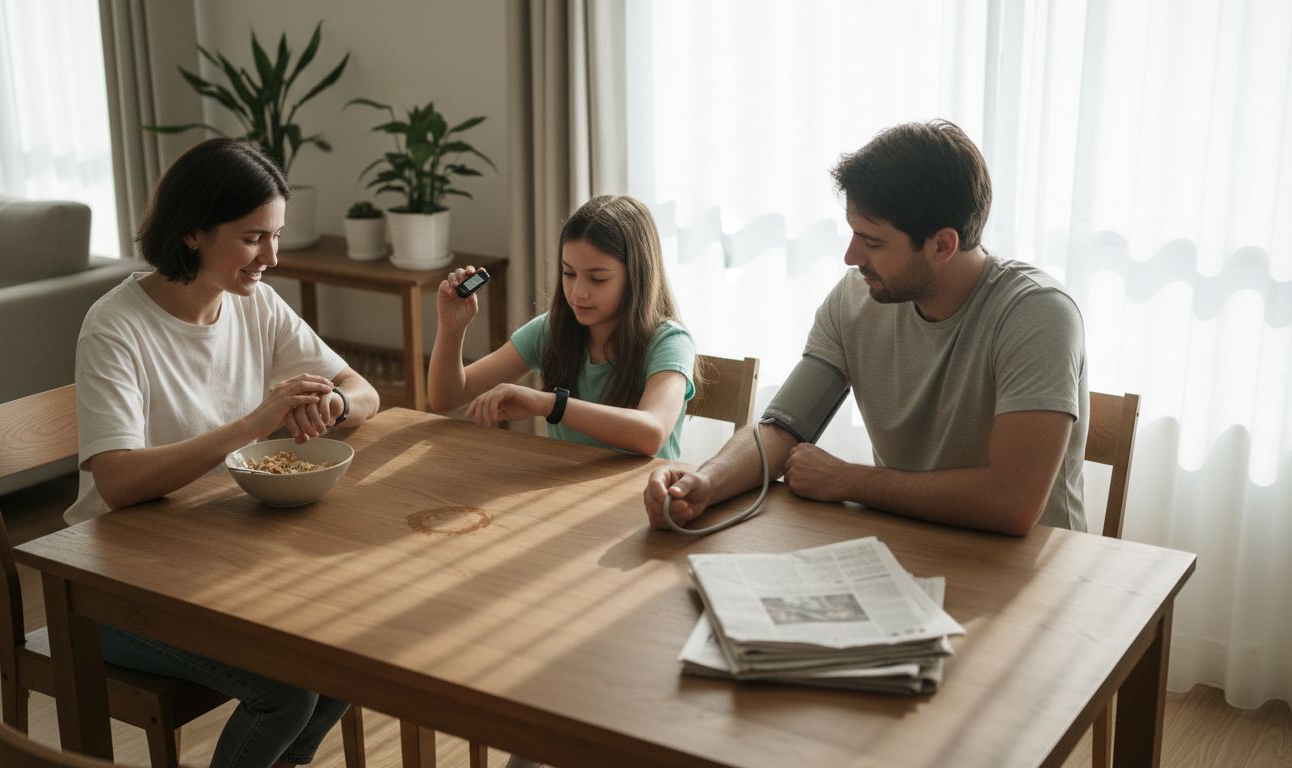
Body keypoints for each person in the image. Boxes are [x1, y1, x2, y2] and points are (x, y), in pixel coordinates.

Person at [66, 138, 380, 768]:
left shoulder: (253, 303)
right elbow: (119, 481)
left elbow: (364, 392)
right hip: (111, 588)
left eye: (276, 235)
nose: (272, 256)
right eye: (253, 237)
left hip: (214, 559)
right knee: (288, 690)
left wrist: (333, 407)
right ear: (192, 234)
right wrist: (253, 423)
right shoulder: (115, 326)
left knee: (351, 657)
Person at [645, 120, 1088, 537]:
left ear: (942, 245)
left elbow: (1011, 502)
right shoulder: (857, 298)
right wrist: (704, 483)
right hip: (908, 544)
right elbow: (783, 430)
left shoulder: (1038, 315)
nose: (851, 256)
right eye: (853, 233)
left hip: (1032, 578)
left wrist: (848, 480)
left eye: (872, 242)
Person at [428, 194, 698, 459]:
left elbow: (651, 433)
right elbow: (448, 397)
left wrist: (548, 404)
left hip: (641, 497)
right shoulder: (551, 330)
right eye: (569, 273)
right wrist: (452, 329)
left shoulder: (669, 342)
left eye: (597, 278)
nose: (578, 292)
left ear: (636, 277)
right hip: (562, 491)